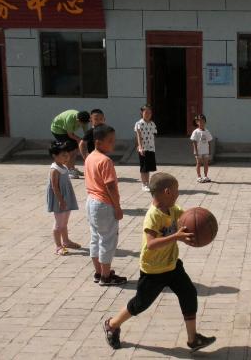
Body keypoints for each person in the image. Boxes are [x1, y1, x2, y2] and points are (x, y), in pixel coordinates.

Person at [102, 172, 216, 352]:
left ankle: (193, 339)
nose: (178, 194)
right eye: (177, 191)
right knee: (141, 304)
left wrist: (200, 222)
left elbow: (187, 219)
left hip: (172, 265)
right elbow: (151, 244)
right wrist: (176, 236)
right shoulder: (153, 216)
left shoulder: (173, 209)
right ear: (167, 192)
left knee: (189, 294)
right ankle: (112, 324)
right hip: (153, 270)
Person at [85, 124, 127, 286]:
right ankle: (106, 276)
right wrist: (117, 207)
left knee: (95, 237)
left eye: (113, 140)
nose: (112, 144)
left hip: (91, 202)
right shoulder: (105, 161)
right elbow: (110, 186)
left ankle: (99, 272)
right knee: (107, 240)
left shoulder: (90, 157)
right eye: (109, 141)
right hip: (104, 204)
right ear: (98, 142)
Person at [46, 141, 81, 256]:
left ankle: (66, 241)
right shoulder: (54, 169)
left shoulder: (64, 166)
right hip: (59, 200)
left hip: (66, 198)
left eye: (67, 154)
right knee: (58, 224)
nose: (66, 157)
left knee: (64, 223)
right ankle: (58, 246)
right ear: (54, 156)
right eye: (63, 155)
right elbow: (54, 187)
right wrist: (61, 200)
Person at [50, 109, 90, 179]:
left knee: (76, 148)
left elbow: (87, 134)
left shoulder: (84, 121)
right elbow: (70, 135)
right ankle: (68, 170)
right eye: (81, 123)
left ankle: (72, 168)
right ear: (77, 120)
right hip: (58, 130)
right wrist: (81, 140)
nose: (83, 125)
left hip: (66, 131)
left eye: (85, 123)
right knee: (70, 149)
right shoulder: (70, 119)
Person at [134, 105, 158, 192]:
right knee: (143, 167)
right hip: (143, 148)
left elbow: (153, 136)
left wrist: (153, 146)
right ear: (142, 113)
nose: (148, 114)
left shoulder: (152, 124)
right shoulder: (139, 124)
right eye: (146, 112)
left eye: (150, 112)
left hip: (151, 148)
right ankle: (144, 184)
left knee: (148, 167)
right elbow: (138, 136)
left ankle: (147, 183)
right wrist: (140, 147)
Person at [190, 114, 213, 183]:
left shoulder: (207, 131)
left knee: (206, 163)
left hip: (205, 150)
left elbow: (209, 141)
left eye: (203, 121)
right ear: (197, 122)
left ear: (205, 122)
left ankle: (205, 176)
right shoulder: (196, 132)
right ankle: (199, 176)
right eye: (199, 121)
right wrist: (196, 151)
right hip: (198, 151)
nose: (201, 123)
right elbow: (193, 142)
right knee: (198, 163)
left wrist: (209, 150)